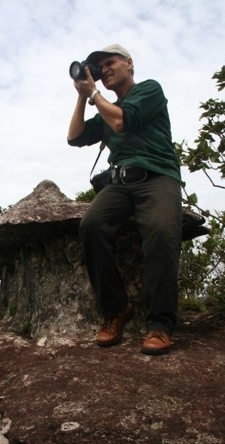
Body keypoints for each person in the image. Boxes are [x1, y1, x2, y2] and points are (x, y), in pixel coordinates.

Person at [67, 44, 182, 355]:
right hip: (120, 183)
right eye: (98, 67)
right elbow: (74, 137)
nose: (104, 69)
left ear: (129, 63)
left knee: (159, 233)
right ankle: (116, 309)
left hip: (158, 177)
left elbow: (121, 121)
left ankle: (160, 323)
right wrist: (82, 95)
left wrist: (94, 95)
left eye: (109, 62)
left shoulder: (149, 90)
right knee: (92, 225)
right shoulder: (104, 107)